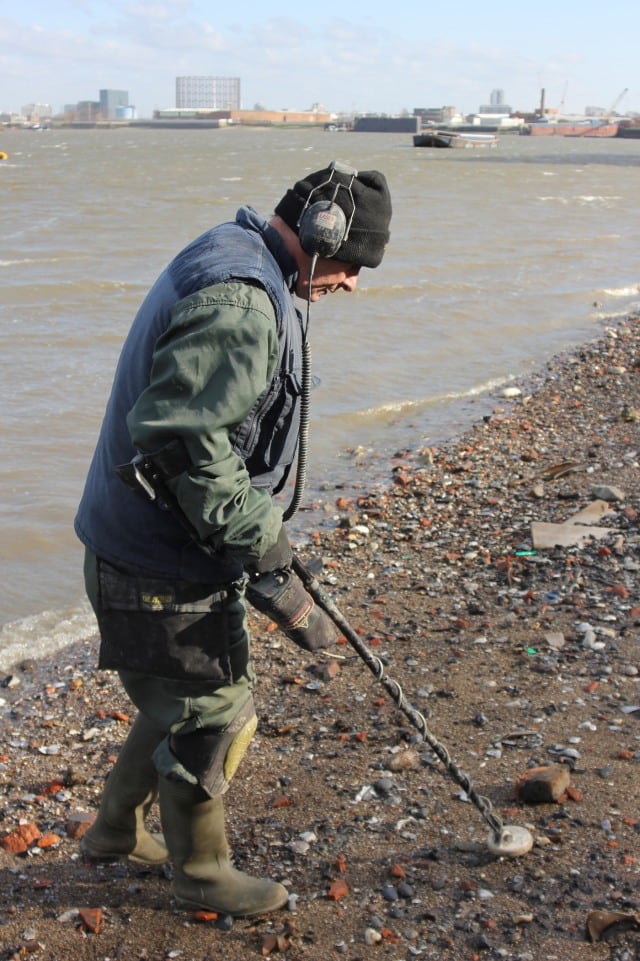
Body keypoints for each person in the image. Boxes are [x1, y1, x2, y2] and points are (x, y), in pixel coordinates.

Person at [74, 161, 392, 918]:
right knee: (219, 711)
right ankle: (202, 871)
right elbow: (184, 441)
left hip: (148, 542)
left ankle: (115, 830)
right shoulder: (244, 301)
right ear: (321, 238)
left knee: (176, 695)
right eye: (352, 266)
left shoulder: (236, 247)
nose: (352, 283)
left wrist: (261, 553)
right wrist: (266, 544)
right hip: (156, 560)